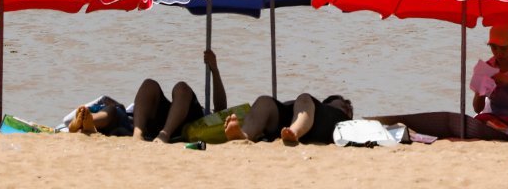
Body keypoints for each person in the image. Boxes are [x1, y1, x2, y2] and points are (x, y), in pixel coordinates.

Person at [132, 50, 224, 143]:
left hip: (190, 123)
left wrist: (214, 69)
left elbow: (221, 109)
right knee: (149, 84)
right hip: (163, 122)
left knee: (181, 88)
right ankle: (137, 134)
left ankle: (165, 134)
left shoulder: (204, 113)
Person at [223, 94, 353, 146]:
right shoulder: (318, 105)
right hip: (288, 117)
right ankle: (244, 135)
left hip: (310, 125)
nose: (347, 107)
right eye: (343, 104)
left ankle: (293, 132)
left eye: (349, 109)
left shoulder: (343, 121)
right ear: (327, 103)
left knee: (304, 98)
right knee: (264, 101)